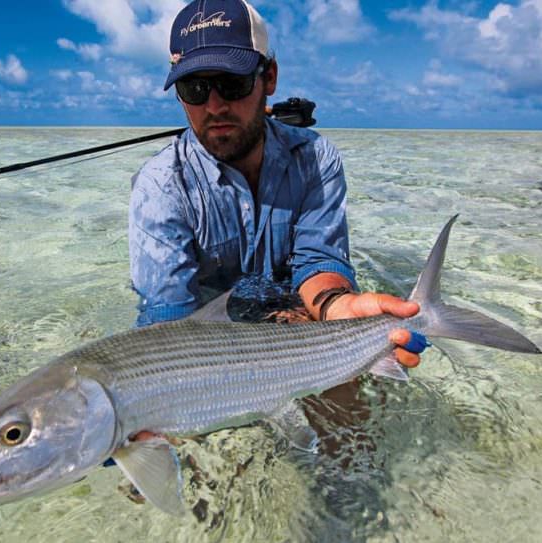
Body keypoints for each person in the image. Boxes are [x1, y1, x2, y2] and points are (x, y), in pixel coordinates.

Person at [128, 0, 424, 369]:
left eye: (232, 83)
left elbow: (319, 258)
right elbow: (166, 318)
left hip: (295, 314)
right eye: (195, 89)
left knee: (350, 397)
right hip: (205, 343)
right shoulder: (159, 186)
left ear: (269, 78)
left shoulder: (316, 157)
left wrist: (336, 306)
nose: (215, 106)